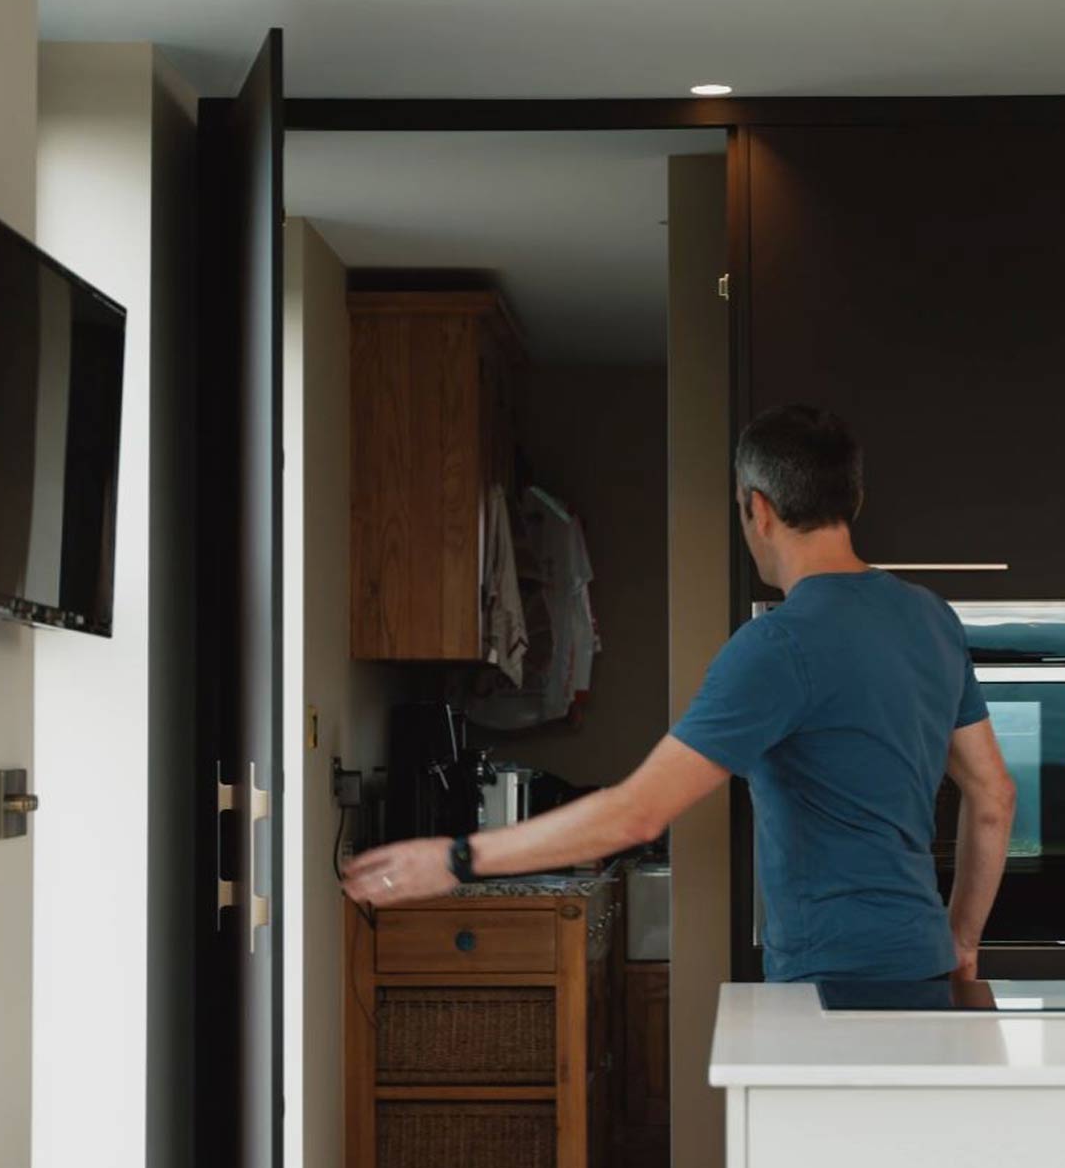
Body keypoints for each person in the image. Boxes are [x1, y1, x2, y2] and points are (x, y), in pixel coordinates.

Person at [342, 404, 1017, 982]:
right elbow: (993, 797)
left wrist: (456, 858)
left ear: (758, 508)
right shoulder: (932, 618)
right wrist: (961, 941)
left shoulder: (777, 646)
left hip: (831, 985)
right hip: (923, 965)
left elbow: (636, 815)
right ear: (854, 501)